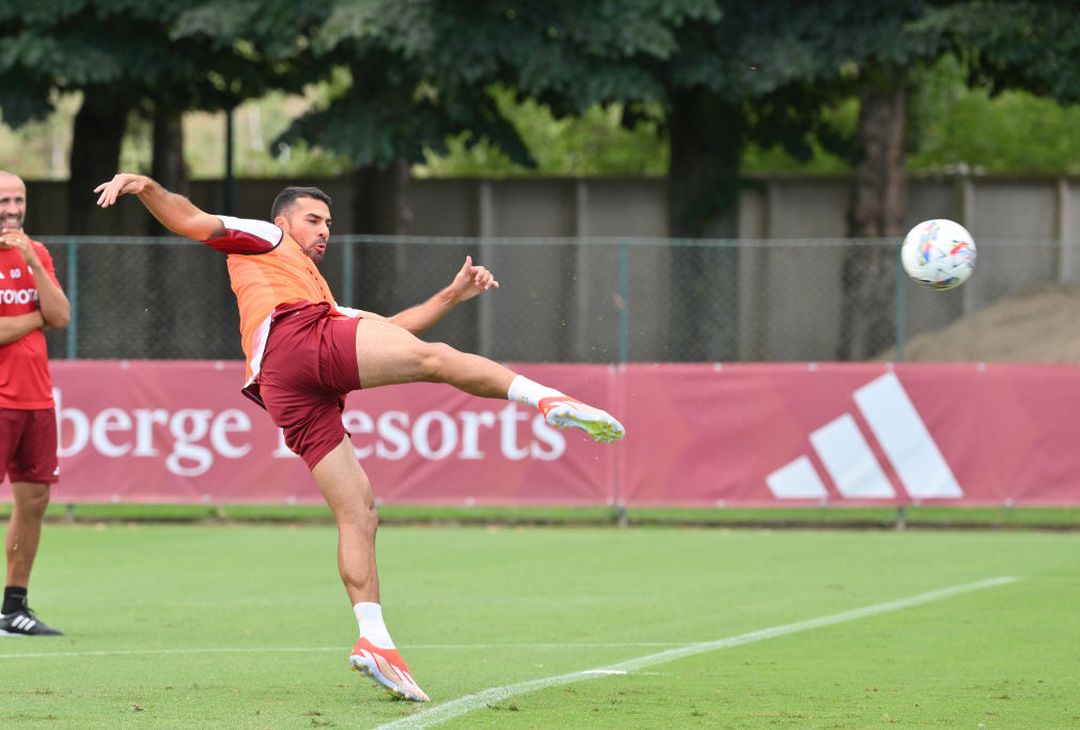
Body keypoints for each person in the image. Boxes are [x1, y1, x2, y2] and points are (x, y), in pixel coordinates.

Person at [94, 172, 625, 701]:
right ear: (283, 221)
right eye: (314, 219)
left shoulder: (318, 290)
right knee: (438, 359)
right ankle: (550, 400)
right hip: (297, 339)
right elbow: (190, 219)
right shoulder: (267, 236)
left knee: (360, 512)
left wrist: (455, 293)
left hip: (284, 384)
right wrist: (147, 188)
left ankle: (375, 640)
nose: (324, 230)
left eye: (329, 223)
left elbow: (393, 330)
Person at [0, 171, 71, 637]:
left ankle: (12, 608)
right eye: (4, 200)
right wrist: (37, 317)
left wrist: (33, 262)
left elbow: (60, 316)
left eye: (18, 199)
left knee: (35, 500)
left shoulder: (36, 252)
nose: (12, 208)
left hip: (36, 398)